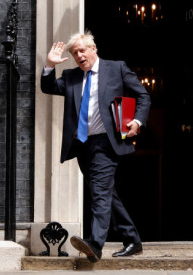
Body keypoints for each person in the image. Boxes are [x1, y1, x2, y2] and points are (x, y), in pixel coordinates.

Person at [41, 31, 150, 262]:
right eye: (74, 53)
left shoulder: (116, 68)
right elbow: (48, 88)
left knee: (100, 192)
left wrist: (137, 121)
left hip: (106, 142)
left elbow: (143, 95)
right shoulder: (71, 76)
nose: (79, 55)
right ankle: (132, 239)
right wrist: (50, 64)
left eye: (82, 50)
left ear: (93, 49)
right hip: (82, 144)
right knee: (106, 192)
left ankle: (95, 244)